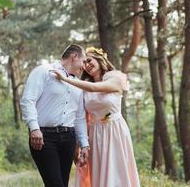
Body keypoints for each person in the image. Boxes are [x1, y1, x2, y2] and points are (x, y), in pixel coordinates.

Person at [51, 47, 140, 187]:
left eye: (89, 60)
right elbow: (82, 118)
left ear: (100, 59)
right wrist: (78, 147)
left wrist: (65, 79)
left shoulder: (115, 78)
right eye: (84, 62)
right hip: (95, 135)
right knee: (97, 174)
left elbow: (94, 88)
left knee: (116, 173)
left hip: (115, 131)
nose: (86, 65)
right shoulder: (85, 87)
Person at [20, 44, 90, 187]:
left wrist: (84, 144)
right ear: (74, 56)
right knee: (55, 184)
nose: (85, 66)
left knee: (63, 183)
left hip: (68, 139)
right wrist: (34, 128)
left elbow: (79, 117)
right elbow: (28, 100)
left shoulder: (78, 84)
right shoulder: (44, 71)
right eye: (84, 61)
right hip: (44, 138)